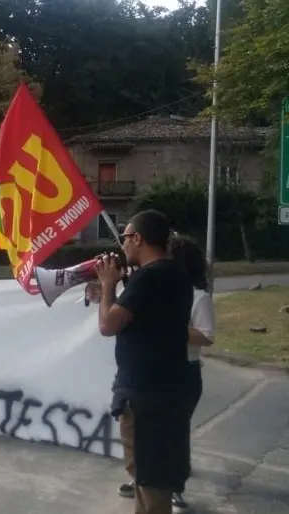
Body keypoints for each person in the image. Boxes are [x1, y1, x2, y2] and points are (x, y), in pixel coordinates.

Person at [94, 210, 194, 514]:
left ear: (138, 238)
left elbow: (108, 325)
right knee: (149, 479)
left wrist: (108, 285)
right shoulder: (174, 274)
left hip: (146, 397)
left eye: (125, 237)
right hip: (166, 391)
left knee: (150, 481)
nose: (123, 245)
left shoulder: (151, 277)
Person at [166, 234, 214, 513]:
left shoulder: (199, 297)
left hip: (185, 372)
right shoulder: (161, 293)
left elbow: (207, 336)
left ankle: (175, 487)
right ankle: (145, 478)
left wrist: (170, 326)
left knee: (175, 433)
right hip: (159, 369)